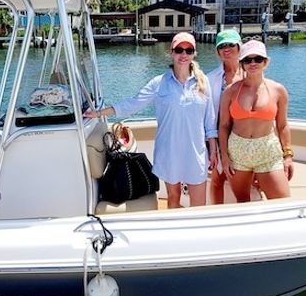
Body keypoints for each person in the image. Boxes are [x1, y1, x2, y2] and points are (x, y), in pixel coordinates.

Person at [85, 32, 218, 208]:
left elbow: (210, 121)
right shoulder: (159, 83)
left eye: (188, 50)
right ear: (171, 52)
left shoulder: (204, 82)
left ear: (194, 53)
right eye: (179, 50)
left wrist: (214, 149)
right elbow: (133, 103)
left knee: (199, 205)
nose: (183, 54)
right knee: (173, 199)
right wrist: (100, 112)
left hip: (196, 152)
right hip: (169, 151)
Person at [218, 40, 293, 202]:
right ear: (242, 64)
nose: (253, 63)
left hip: (268, 153)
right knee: (243, 203)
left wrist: (288, 156)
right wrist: (224, 157)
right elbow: (223, 126)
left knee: (283, 203)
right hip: (238, 153)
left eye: (258, 59)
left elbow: (283, 125)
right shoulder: (230, 91)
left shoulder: (278, 90)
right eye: (247, 60)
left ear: (266, 62)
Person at [206, 29, 242, 204]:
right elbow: (207, 112)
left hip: (245, 136)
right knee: (218, 177)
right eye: (222, 46)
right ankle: (216, 212)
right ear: (217, 51)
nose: (226, 49)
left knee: (248, 177)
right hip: (221, 135)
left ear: (239, 47)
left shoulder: (250, 72)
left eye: (230, 44)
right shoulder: (210, 78)